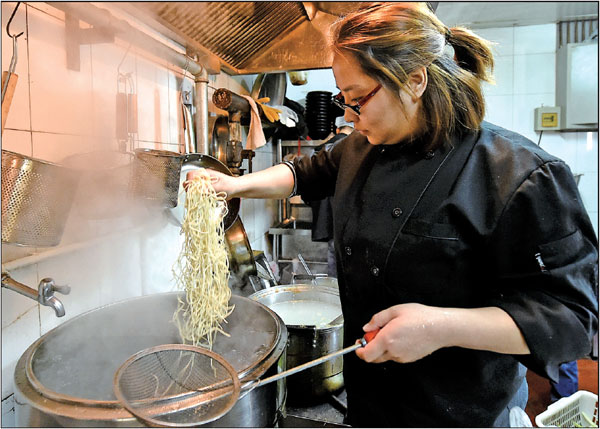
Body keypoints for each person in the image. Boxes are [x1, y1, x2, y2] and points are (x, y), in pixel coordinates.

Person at [187, 3, 598, 426]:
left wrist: (438, 327)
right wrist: (234, 185)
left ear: (414, 80)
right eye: (343, 100)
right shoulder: (362, 146)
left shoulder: (520, 174)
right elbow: (303, 172)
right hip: (371, 402)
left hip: (462, 412)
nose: (348, 115)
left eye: (358, 99)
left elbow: (571, 320)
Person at [306, 116, 354, 277]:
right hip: (346, 219)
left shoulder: (320, 149)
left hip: (325, 218)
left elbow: (308, 186)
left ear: (337, 129)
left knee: (333, 258)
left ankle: (333, 295)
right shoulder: (354, 149)